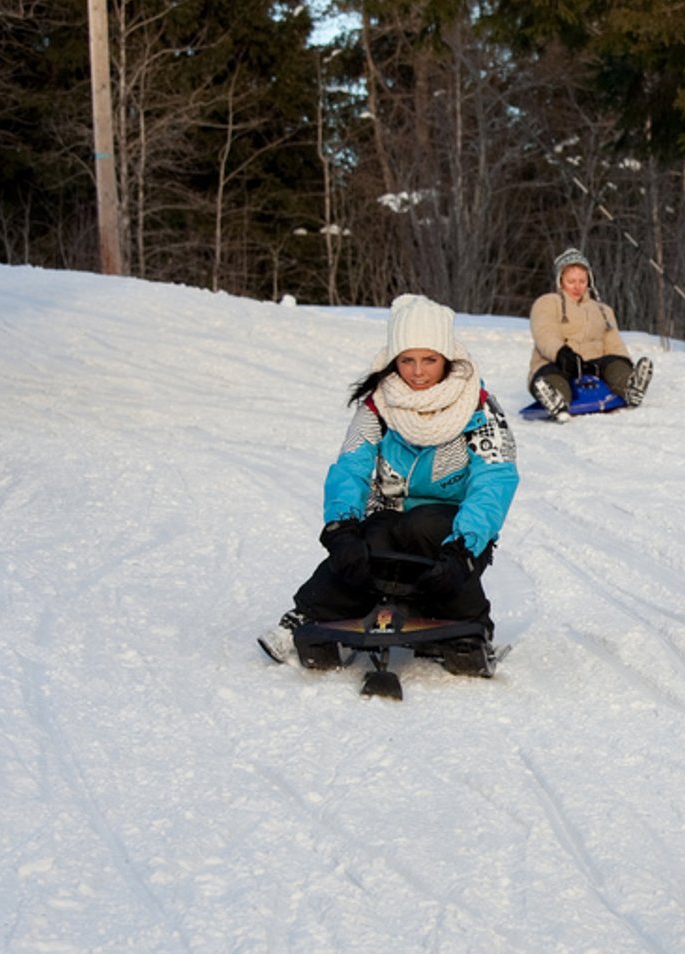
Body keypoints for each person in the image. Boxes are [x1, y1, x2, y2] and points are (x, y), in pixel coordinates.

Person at [260, 294, 519, 664]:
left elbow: (495, 478)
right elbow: (351, 465)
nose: (417, 372)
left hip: (452, 529)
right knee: (370, 540)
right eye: (407, 360)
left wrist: (465, 544)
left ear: (447, 358)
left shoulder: (477, 408)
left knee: (421, 526)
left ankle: (470, 624)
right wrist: (342, 526)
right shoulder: (378, 405)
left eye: (429, 359)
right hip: (388, 515)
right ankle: (308, 614)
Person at [527, 247, 653, 417]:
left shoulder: (602, 310)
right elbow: (545, 333)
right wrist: (561, 353)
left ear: (590, 281)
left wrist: (623, 362)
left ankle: (630, 386)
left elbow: (613, 342)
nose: (577, 287)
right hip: (559, 362)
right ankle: (554, 397)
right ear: (560, 280)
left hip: (593, 364)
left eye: (582, 281)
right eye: (571, 281)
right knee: (556, 378)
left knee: (614, 364)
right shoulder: (548, 302)